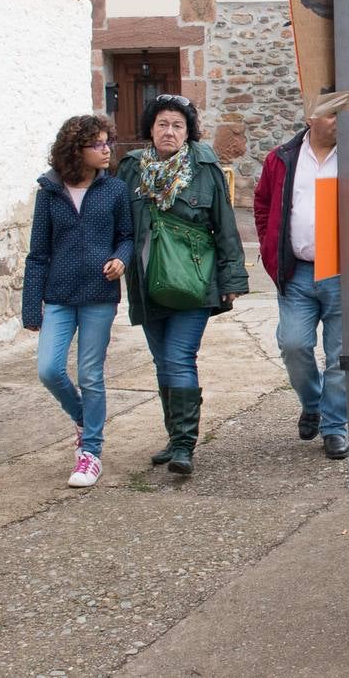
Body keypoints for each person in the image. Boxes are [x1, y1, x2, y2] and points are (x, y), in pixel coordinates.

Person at [254, 93, 349, 460]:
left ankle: (334, 426)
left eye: (347, 114)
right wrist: (271, 248)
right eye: (334, 113)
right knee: (293, 345)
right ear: (311, 117)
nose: (342, 121)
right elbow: (263, 205)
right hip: (297, 272)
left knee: (340, 356)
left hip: (343, 273)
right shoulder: (281, 158)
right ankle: (313, 403)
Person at [117, 94, 250, 476]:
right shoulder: (130, 168)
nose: (169, 131)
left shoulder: (204, 166)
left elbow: (225, 226)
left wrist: (232, 277)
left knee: (178, 358)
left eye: (177, 125)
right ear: (151, 129)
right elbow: (116, 222)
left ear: (188, 131)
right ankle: (174, 438)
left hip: (194, 280)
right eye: (162, 124)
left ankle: (185, 446)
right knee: (163, 362)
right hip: (146, 280)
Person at [23, 115, 133, 489]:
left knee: (90, 375)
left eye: (108, 142)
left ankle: (91, 453)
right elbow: (37, 254)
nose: (107, 150)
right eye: (98, 144)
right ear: (76, 150)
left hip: (100, 296)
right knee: (49, 370)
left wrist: (122, 259)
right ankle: (86, 418)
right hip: (59, 296)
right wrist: (30, 306)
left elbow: (127, 236)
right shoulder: (50, 192)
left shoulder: (115, 190)